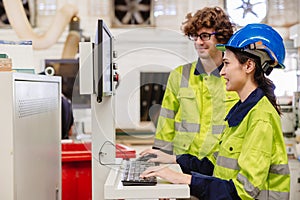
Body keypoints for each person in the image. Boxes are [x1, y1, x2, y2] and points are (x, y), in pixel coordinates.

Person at [140, 23, 290, 199]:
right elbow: (214, 164)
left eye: (226, 63)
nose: (223, 72)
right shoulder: (242, 110)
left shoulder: (260, 117)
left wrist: (181, 178)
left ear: (248, 66)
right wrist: (173, 160)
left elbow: (243, 191)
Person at [152, 6, 239, 159]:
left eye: (205, 36)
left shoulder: (234, 78)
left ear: (221, 38)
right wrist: (159, 157)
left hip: (219, 170)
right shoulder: (179, 75)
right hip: (182, 164)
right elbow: (166, 122)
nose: (199, 42)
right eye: (194, 36)